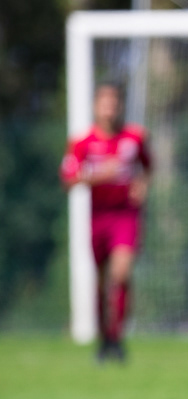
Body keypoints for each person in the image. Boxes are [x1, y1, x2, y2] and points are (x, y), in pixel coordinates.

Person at [60, 82, 152, 363]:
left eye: (114, 102)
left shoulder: (134, 138)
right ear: (95, 106)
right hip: (98, 216)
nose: (110, 108)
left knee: (121, 274)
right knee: (101, 281)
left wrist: (142, 185)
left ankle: (118, 336)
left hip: (125, 216)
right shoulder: (82, 142)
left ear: (120, 106)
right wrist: (100, 175)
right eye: (104, 102)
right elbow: (69, 178)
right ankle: (105, 338)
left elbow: (147, 168)